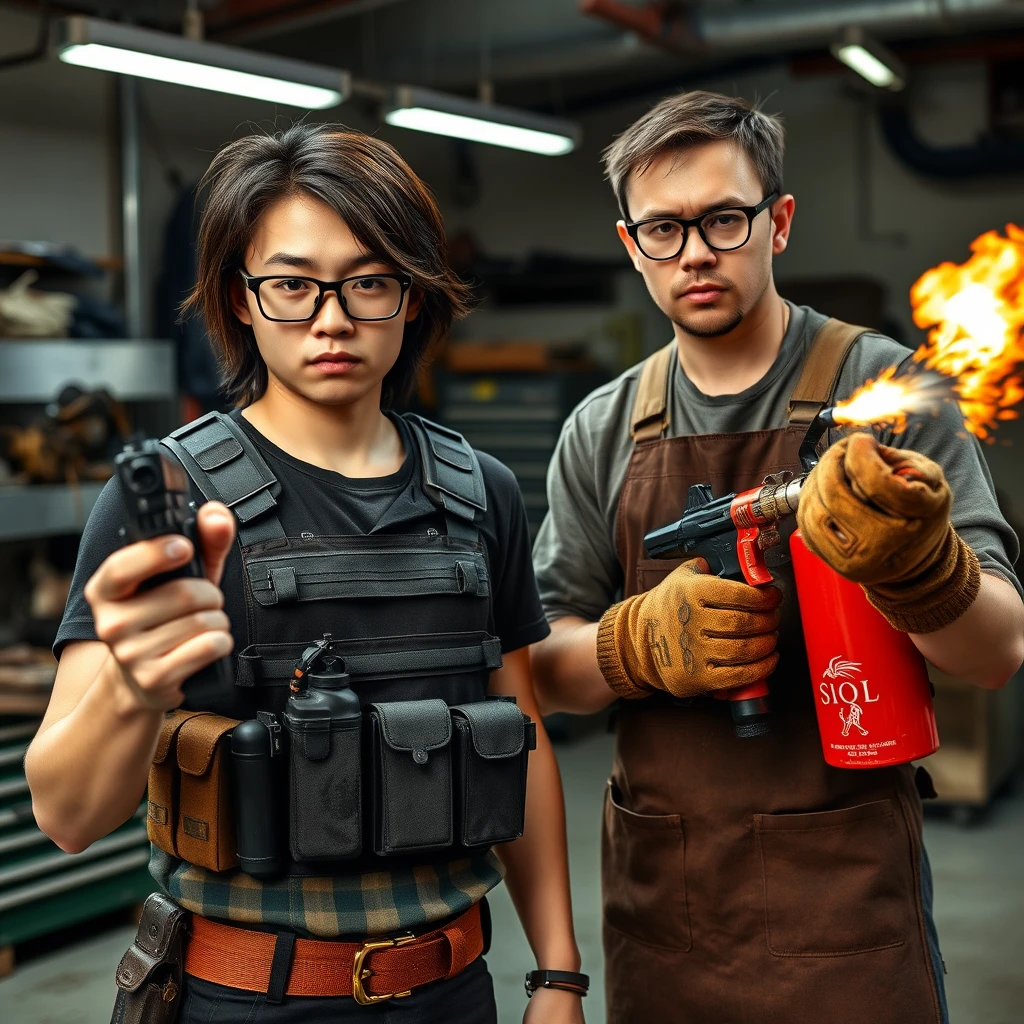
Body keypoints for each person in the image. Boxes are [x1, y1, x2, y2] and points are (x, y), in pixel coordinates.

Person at [26, 124, 586, 1024]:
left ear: (411, 296)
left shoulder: (481, 492)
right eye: (292, 284)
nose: (332, 318)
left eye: (368, 281)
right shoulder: (169, 499)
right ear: (240, 301)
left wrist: (559, 973)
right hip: (242, 999)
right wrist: (133, 686)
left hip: (453, 993)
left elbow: (524, 736)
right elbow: (66, 813)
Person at [529, 90, 1024, 1024]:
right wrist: (630, 647)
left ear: (779, 222)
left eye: (723, 217)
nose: (697, 252)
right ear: (631, 245)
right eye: (664, 230)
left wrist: (919, 566)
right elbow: (542, 671)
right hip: (665, 911)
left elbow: (996, 653)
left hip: (849, 913)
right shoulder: (601, 429)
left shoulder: (889, 391)